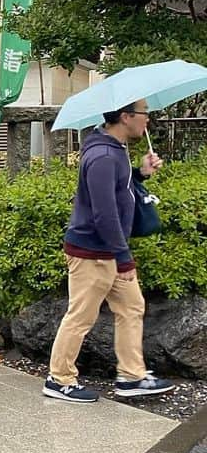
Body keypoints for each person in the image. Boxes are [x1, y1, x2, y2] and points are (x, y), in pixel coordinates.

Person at [45, 99, 173, 403]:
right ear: (126, 117)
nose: (148, 121)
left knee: (131, 307)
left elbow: (118, 190)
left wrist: (140, 173)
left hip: (107, 251)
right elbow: (104, 214)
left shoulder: (113, 148)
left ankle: (131, 376)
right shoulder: (103, 155)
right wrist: (124, 258)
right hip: (92, 252)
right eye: (144, 114)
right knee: (81, 317)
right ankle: (59, 378)